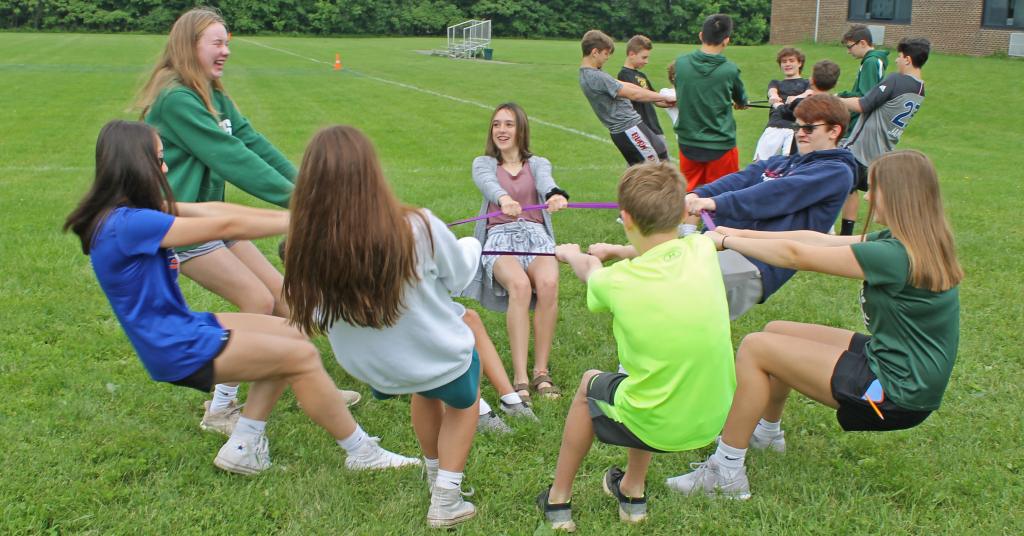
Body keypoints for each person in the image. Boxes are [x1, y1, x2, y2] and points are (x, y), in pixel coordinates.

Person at [64, 119, 418, 476]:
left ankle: (244, 444)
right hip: (174, 345)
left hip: (180, 327)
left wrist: (302, 216)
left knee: (290, 332)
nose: (166, 167)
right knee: (301, 356)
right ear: (135, 164)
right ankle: (361, 453)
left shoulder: (128, 214)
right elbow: (225, 228)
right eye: (159, 159)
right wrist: (311, 224)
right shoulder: (129, 224)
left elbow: (217, 212)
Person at [667, 149, 962, 500]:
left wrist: (726, 242)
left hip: (896, 393)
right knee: (776, 331)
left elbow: (799, 256)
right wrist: (734, 231)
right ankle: (766, 433)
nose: (866, 196)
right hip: (895, 365)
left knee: (756, 348)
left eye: (875, 188)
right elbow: (816, 239)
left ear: (899, 194)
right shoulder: (906, 242)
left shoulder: (894, 255)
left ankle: (726, 473)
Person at [131, 7, 360, 432]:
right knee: (257, 301)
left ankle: (314, 383)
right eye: (216, 43)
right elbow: (230, 156)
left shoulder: (212, 94)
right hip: (181, 224)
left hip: (215, 223)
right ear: (189, 47)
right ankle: (220, 408)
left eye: (227, 42)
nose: (226, 51)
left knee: (288, 302)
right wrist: (301, 204)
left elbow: (252, 142)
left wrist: (312, 191)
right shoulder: (177, 97)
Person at [283, 125, 482, 528]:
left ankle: (433, 475)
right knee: (465, 402)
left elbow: (317, 315)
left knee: (426, 391)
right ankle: (446, 497)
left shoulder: (302, 245)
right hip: (437, 355)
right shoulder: (418, 226)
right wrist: (470, 244)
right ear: (372, 175)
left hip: (375, 368)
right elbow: (460, 277)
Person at [535, 161, 735, 532]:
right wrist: (616, 249)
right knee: (641, 376)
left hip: (660, 422)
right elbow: (664, 251)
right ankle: (632, 491)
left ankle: (558, 500)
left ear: (625, 217)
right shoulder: (702, 250)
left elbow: (589, 271)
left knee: (590, 384)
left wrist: (572, 253)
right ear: (680, 214)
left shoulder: (617, 282)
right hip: (711, 417)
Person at [591, 95, 855, 321]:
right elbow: (742, 178)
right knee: (669, 283)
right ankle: (619, 253)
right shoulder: (783, 162)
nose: (800, 133)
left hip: (758, 261)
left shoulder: (835, 171)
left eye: (810, 128)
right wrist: (696, 194)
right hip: (727, 242)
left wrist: (716, 203)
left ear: (834, 131)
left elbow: (775, 194)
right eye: (798, 127)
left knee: (674, 308)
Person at [454, 103, 569, 405]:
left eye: (508, 124)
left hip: (535, 236)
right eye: (496, 125)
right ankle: (520, 377)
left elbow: (546, 184)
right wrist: (504, 199)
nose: (501, 130)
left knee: (548, 284)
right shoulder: (484, 162)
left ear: (521, 129)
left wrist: (556, 195)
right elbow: (488, 185)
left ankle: (540, 371)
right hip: (500, 236)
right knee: (518, 286)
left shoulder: (539, 163)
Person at [839, 38, 929, 236]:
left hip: (861, 148)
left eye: (899, 56)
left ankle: (831, 233)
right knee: (854, 191)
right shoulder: (921, 89)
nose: (896, 61)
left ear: (907, 59)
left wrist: (836, 100)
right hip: (882, 153)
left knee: (833, 185)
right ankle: (850, 236)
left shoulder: (896, 79)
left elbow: (863, 104)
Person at [672, 14, 749, 191]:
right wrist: (741, 102)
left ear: (701, 36)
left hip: (688, 140)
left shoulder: (681, 63)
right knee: (723, 194)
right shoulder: (729, 69)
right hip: (721, 143)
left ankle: (689, 220)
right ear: (726, 41)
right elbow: (741, 99)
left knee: (689, 193)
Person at [578, 30, 675, 166]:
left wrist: (664, 98)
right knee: (658, 166)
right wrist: (665, 96)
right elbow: (633, 94)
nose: (607, 57)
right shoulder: (594, 76)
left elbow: (631, 87)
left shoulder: (593, 74)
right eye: (606, 53)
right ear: (595, 52)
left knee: (656, 159)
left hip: (631, 127)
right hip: (629, 128)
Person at [836, 23, 890, 235]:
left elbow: (866, 99)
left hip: (860, 130)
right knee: (852, 183)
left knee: (868, 183)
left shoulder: (870, 62)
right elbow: (859, 93)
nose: (848, 51)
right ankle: (846, 235)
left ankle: (900, 220)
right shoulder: (871, 61)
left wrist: (841, 102)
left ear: (863, 43)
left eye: (850, 47)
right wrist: (842, 95)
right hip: (859, 128)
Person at [751, 46, 810, 162]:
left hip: (794, 127)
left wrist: (796, 98)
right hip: (774, 124)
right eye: (784, 62)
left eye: (791, 61)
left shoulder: (807, 83)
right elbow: (771, 91)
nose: (787, 64)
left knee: (789, 163)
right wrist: (774, 97)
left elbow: (809, 93)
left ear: (800, 63)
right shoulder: (775, 83)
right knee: (758, 163)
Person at [771, 60, 842, 155]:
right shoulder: (838, 106)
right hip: (827, 153)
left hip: (802, 155)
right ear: (835, 84)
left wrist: (777, 104)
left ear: (811, 81)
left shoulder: (801, 103)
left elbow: (785, 112)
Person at [617, 35, 668, 150]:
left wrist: (674, 101)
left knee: (663, 165)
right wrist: (665, 97)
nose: (647, 61)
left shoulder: (641, 76)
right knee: (642, 167)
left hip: (654, 128)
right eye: (644, 57)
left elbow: (656, 99)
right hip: (640, 130)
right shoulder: (624, 75)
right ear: (631, 54)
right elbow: (638, 96)